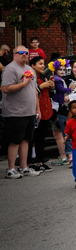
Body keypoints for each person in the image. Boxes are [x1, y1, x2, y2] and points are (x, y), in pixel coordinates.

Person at [1, 46, 41, 179]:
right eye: (21, 53)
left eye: (26, 53)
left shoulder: (30, 69)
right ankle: (11, 169)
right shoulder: (10, 69)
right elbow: (6, 88)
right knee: (15, 140)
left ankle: (24, 167)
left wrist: (37, 109)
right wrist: (23, 84)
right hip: (15, 112)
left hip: (29, 111)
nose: (24, 55)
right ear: (14, 55)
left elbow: (34, 90)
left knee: (26, 140)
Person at [28, 55, 54, 172]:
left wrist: (52, 87)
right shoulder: (29, 77)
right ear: (32, 66)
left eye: (44, 63)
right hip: (34, 112)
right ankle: (28, 163)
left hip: (46, 111)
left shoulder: (44, 77)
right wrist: (40, 87)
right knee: (31, 139)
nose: (43, 66)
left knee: (41, 138)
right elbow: (28, 93)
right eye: (40, 63)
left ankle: (40, 162)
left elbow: (51, 95)